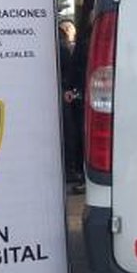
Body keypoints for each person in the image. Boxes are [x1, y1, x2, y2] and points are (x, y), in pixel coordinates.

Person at [58, 19, 84, 192]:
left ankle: (71, 169)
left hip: (67, 94)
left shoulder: (65, 47)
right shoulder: (65, 48)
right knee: (71, 132)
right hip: (68, 96)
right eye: (67, 28)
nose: (70, 30)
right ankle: (72, 169)